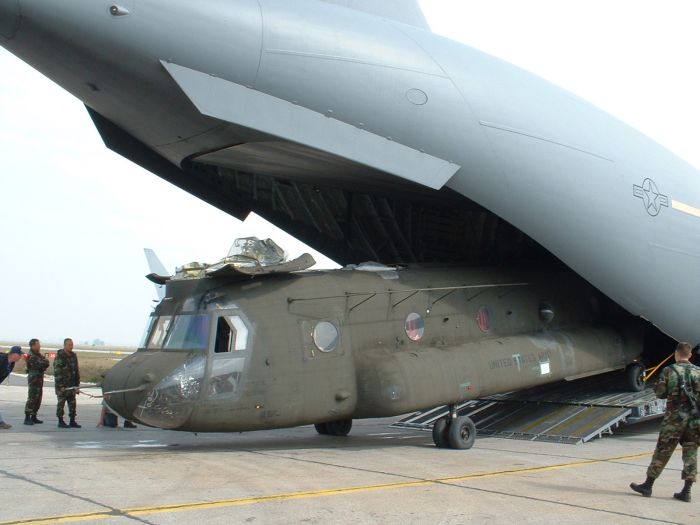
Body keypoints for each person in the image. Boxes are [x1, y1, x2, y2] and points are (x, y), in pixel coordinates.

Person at [631, 342, 700, 502]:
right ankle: (686, 491)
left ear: (676, 353)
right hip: (695, 420)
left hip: (674, 420)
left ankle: (647, 486)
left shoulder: (670, 371)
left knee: (663, 451)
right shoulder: (698, 372)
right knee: (691, 453)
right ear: (690, 355)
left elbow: (660, 393)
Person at [54, 338, 81, 428]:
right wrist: (60, 386)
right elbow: (57, 372)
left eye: (72, 344)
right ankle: (60, 421)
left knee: (72, 404)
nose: (71, 346)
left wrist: (77, 385)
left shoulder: (73, 355)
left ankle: (72, 421)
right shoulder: (60, 356)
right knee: (61, 403)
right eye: (69, 345)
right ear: (64, 345)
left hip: (72, 385)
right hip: (63, 386)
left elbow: (76, 371)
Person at [24, 338, 49, 425]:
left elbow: (46, 362)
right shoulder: (31, 355)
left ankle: (34, 416)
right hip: (34, 379)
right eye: (38, 345)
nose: (40, 346)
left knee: (38, 398)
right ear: (33, 345)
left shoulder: (38, 355)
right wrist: (43, 363)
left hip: (39, 379)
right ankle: (27, 417)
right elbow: (39, 365)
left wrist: (43, 363)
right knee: (32, 398)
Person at [0, 346, 24, 429]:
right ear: (14, 354)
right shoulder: (1, 359)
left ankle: (0, 422)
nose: (20, 357)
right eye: (19, 355)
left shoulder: (11, 363)